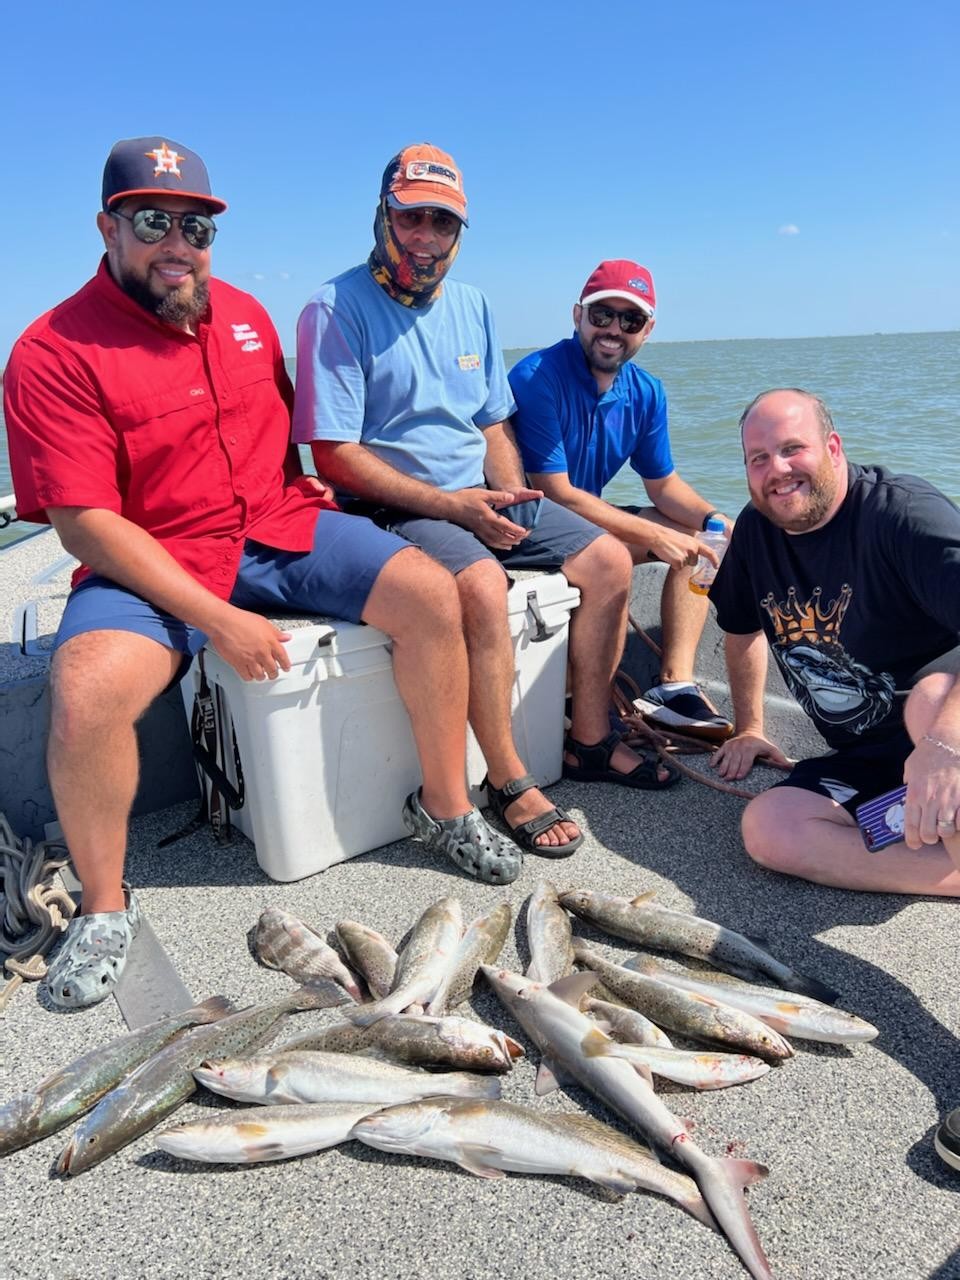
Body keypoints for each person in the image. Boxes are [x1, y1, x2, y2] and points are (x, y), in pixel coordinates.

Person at [4, 137, 519, 1009]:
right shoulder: (50, 352)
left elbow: (281, 427)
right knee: (85, 689)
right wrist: (220, 617)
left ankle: (444, 804)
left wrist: (309, 479)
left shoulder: (244, 316)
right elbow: (84, 523)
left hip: (279, 525)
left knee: (432, 595)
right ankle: (102, 904)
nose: (180, 244)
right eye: (154, 221)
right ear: (108, 226)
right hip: (152, 556)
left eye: (198, 227)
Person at [293, 144, 679, 863]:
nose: (427, 239)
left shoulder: (473, 305)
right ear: (384, 215)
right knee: (478, 583)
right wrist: (453, 507)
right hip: (393, 504)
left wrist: (506, 492)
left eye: (443, 224)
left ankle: (590, 740)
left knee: (606, 562)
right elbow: (335, 456)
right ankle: (509, 779)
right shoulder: (335, 308)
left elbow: (493, 419)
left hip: (478, 494)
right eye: (413, 219)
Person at [708, 388, 960, 898]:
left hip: (946, 729)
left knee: (930, 703)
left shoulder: (903, 516)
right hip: (874, 756)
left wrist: (945, 742)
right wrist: (750, 726)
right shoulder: (756, 531)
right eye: (758, 458)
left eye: (791, 448)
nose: (776, 469)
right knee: (770, 828)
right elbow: (741, 630)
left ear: (834, 447)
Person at [508, 260, 734, 743]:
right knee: (646, 542)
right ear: (577, 315)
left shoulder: (647, 392)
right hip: (532, 527)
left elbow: (663, 484)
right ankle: (589, 713)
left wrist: (716, 518)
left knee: (700, 540)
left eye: (629, 320)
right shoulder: (536, 377)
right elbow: (554, 491)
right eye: (601, 314)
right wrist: (652, 533)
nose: (613, 329)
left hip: (588, 525)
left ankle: (673, 686)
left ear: (647, 330)